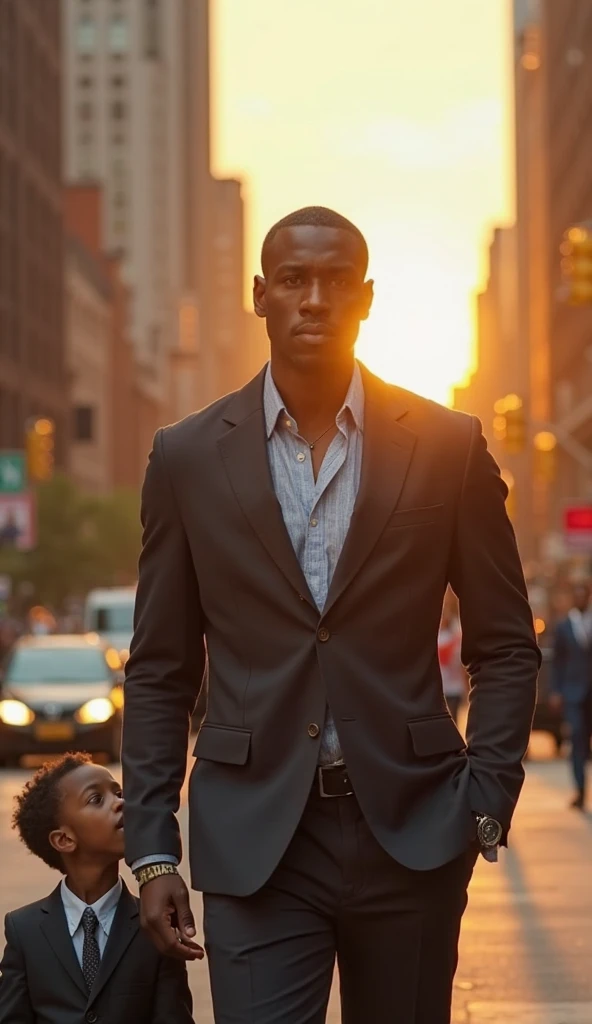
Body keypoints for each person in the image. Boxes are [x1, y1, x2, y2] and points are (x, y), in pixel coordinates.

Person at [123, 206, 540, 1024]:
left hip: (413, 829)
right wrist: (149, 850)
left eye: (335, 281)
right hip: (256, 840)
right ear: (260, 296)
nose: (314, 299)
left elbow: (507, 645)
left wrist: (484, 799)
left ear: (367, 298)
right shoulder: (186, 457)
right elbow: (160, 668)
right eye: (292, 281)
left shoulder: (448, 446)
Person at [0, 753, 194, 1024]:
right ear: (64, 839)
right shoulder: (24, 930)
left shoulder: (153, 921)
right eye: (96, 799)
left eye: (119, 793)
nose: (121, 803)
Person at [551, 582, 592, 810]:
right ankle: (580, 791)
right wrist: (556, 690)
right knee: (576, 739)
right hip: (573, 693)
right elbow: (557, 662)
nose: (580, 599)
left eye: (583, 595)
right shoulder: (563, 626)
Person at [438, 592, 466, 725]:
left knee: (453, 721)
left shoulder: (455, 637)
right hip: (442, 688)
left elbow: (461, 665)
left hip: (454, 688)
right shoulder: (439, 637)